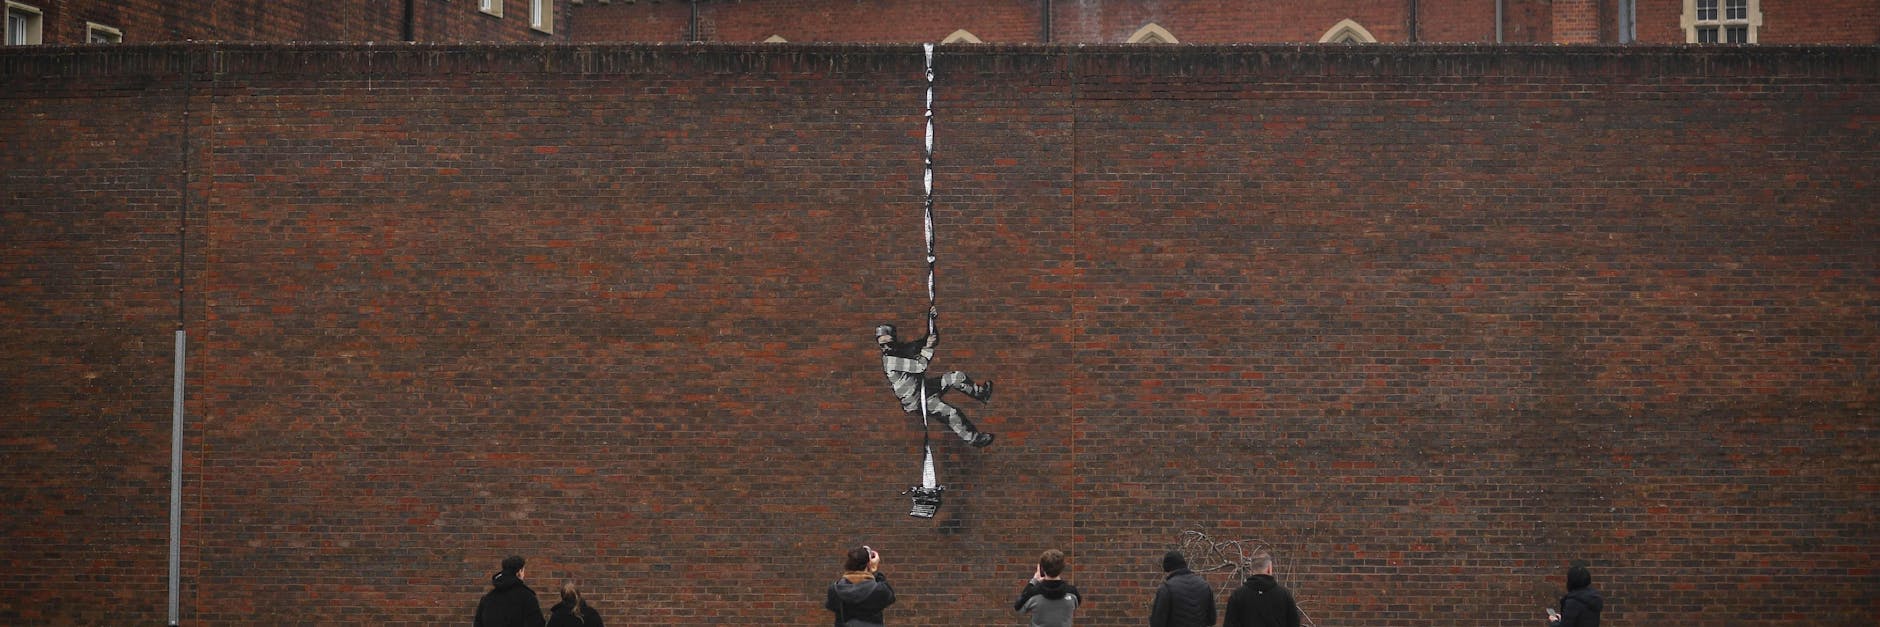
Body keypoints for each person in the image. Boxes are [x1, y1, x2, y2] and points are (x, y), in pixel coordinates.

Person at [876, 319, 996, 448]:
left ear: (894, 340)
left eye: (889, 343)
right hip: (916, 401)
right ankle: (974, 439)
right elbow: (920, 366)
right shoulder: (890, 361)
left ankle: (981, 394)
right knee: (951, 413)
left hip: (924, 388)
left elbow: (930, 340)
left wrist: (931, 322)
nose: (886, 348)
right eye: (882, 345)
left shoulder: (901, 349)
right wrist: (928, 347)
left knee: (956, 377)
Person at [1221, 552, 1299, 627]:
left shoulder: (1237, 595)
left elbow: (1229, 624)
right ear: (1269, 568)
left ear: (1251, 569)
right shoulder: (1284, 595)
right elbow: (1294, 623)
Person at [826, 545, 896, 626]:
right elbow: (891, 598)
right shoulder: (879, 590)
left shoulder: (835, 590)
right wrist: (874, 570)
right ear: (868, 565)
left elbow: (831, 606)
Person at [1014, 548, 1082, 627]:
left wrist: (1033, 581)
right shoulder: (1072, 593)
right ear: (1062, 567)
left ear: (1042, 568)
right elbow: (1076, 605)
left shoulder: (1033, 593)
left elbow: (1018, 608)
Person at [474, 555, 545, 627]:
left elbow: (478, 624)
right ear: (519, 572)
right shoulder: (527, 597)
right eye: (523, 570)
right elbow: (537, 623)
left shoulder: (487, 598)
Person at [1149, 550, 1215, 627]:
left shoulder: (1167, 588)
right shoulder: (1204, 585)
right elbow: (1212, 620)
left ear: (1168, 570)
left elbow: (1157, 623)